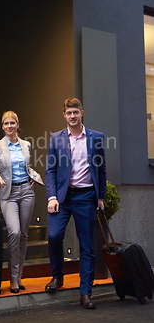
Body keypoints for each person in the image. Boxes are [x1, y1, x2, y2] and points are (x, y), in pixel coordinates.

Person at [45, 98, 106, 309]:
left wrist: (101, 198)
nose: (72, 115)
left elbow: (102, 169)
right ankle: (57, 276)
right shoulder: (56, 138)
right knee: (54, 236)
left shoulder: (96, 138)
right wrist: (52, 197)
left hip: (86, 197)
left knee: (87, 246)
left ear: (82, 113)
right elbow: (50, 171)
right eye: (69, 112)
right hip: (62, 198)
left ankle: (85, 293)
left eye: (76, 112)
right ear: (64, 115)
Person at [0, 111, 44, 293]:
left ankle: (19, 277)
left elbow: (25, 167)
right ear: (2, 126)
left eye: (12, 123)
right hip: (8, 193)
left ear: (18, 125)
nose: (9, 126)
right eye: (6, 123)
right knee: (15, 232)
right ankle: (12, 278)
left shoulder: (26, 145)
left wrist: (34, 175)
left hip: (27, 190)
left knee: (24, 235)